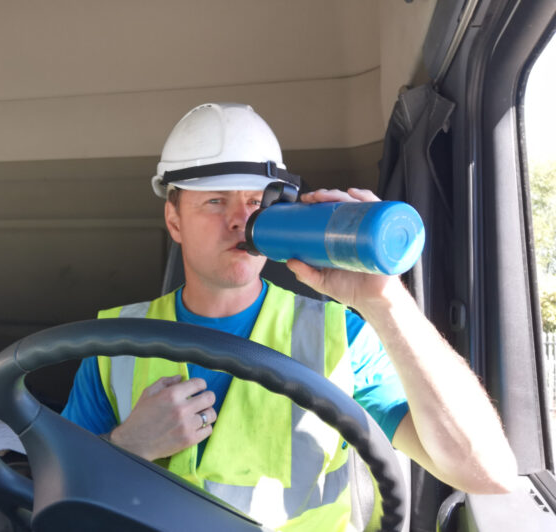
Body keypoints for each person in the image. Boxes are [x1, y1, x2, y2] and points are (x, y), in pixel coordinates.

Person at [61, 102, 517, 530]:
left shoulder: (340, 337)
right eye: (215, 201)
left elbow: (486, 472)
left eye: (256, 202)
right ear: (174, 220)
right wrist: (127, 447)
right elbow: (59, 496)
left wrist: (384, 299)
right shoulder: (114, 344)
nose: (241, 220)